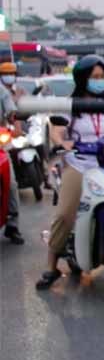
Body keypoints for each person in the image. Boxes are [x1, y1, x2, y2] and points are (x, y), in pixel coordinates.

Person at [35, 55, 104, 290]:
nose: (100, 81)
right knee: (66, 214)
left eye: (102, 77)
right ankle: (51, 265)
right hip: (80, 164)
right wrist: (62, 143)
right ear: (83, 78)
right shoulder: (70, 104)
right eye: (94, 77)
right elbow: (57, 131)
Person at [0, 63, 24, 244]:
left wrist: (16, 127)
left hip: (0, 145)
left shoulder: (3, 92)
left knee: (11, 184)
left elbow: (12, 114)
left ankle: (12, 224)